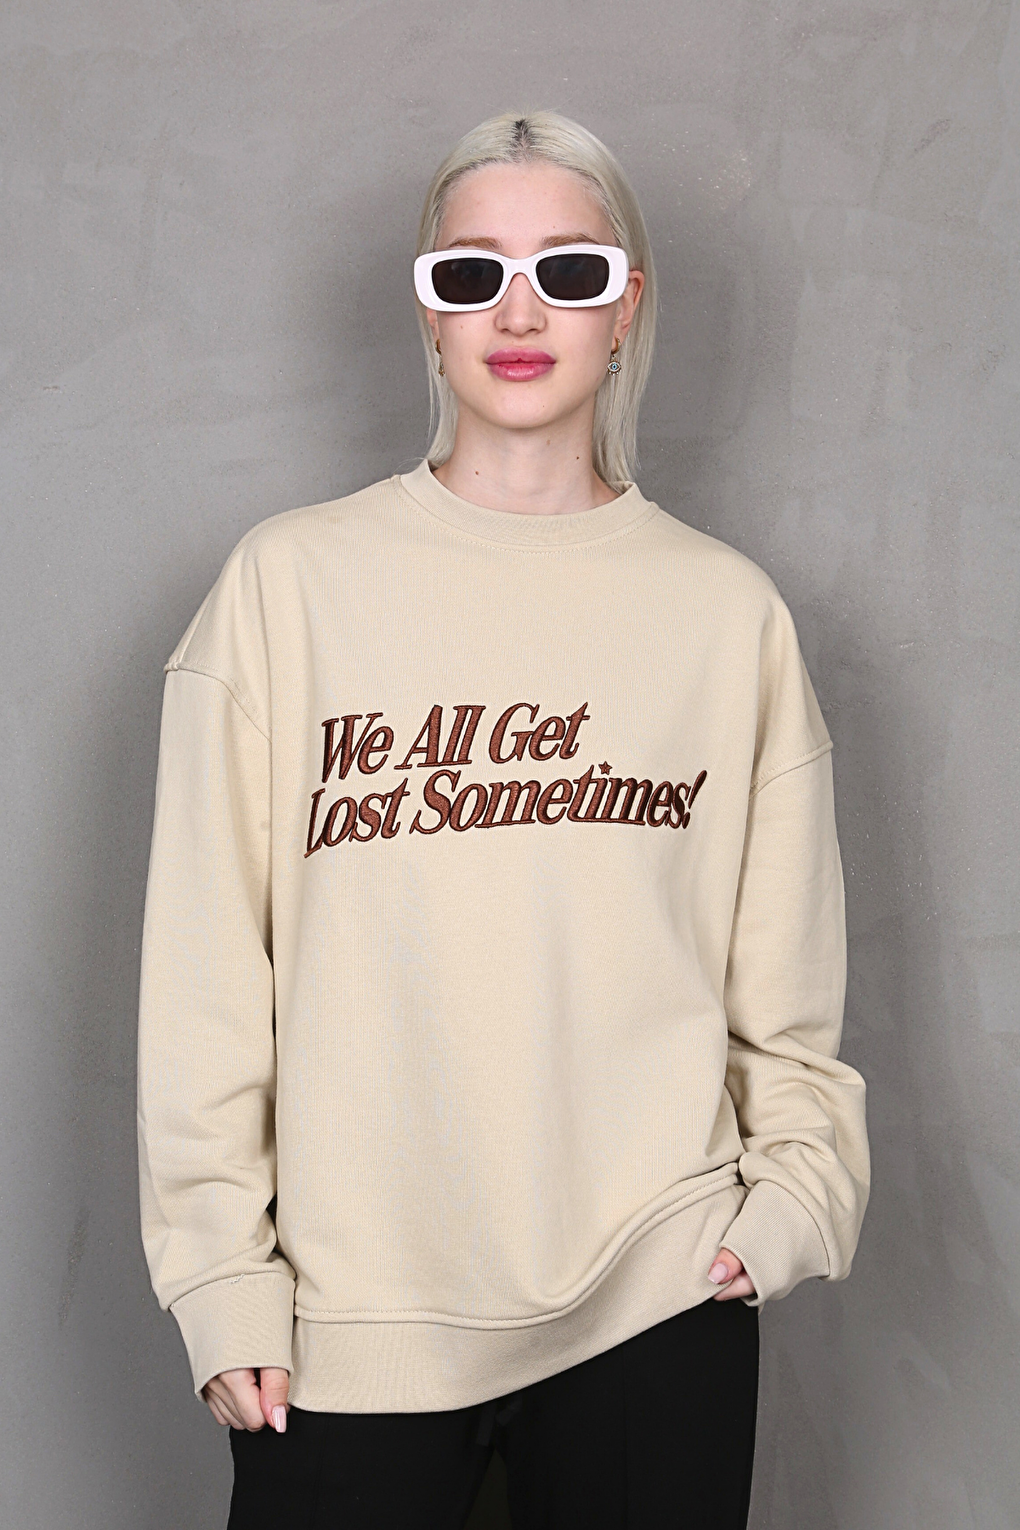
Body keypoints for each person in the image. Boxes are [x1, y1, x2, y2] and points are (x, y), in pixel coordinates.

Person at [136, 110, 870, 1529]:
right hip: (348, 1319)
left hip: (657, 1294)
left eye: (568, 272)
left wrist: (794, 1197)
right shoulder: (287, 589)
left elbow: (787, 995)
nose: (519, 313)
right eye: (471, 274)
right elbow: (207, 976)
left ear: (625, 305)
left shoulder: (727, 615)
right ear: (428, 310)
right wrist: (220, 1270)